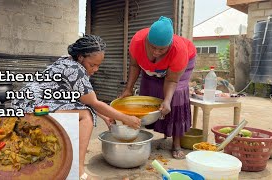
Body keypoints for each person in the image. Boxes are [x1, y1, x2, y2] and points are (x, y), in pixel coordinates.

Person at [12, 35, 141, 179]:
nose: (96, 69)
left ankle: (57, 160)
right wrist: (126, 118)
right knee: (86, 115)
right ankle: (77, 170)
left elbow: (82, 99)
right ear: (80, 57)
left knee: (85, 108)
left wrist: (105, 116)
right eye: (92, 65)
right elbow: (94, 102)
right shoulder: (76, 70)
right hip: (33, 109)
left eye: (98, 65)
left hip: (24, 104)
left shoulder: (66, 60)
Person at [120, 16, 197, 159]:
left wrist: (167, 100)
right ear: (147, 41)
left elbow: (172, 80)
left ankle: (176, 143)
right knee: (149, 88)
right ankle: (139, 136)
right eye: (152, 47)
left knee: (175, 97)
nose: (156, 52)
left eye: (161, 49)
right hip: (153, 68)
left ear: (169, 45)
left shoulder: (179, 50)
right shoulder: (137, 41)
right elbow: (135, 66)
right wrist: (128, 88)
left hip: (182, 65)